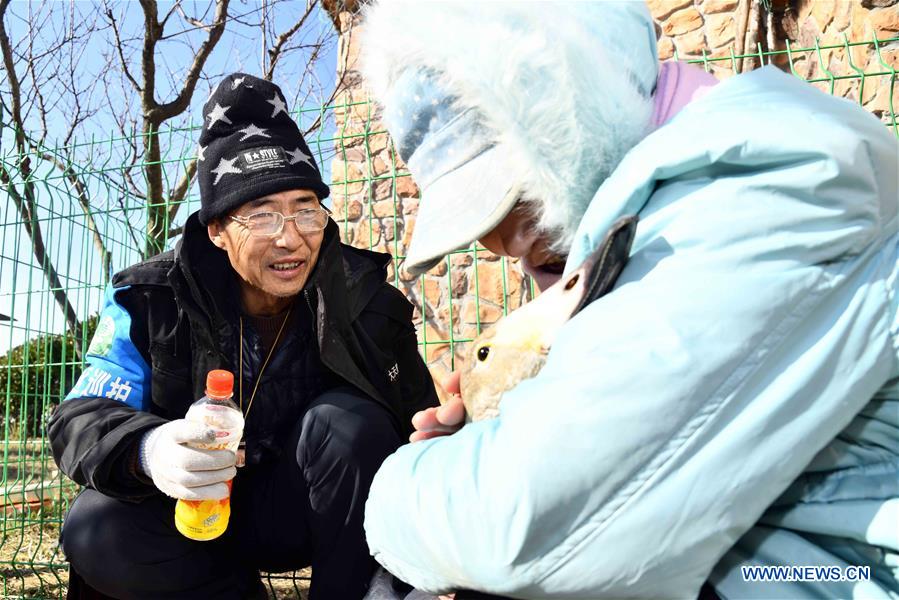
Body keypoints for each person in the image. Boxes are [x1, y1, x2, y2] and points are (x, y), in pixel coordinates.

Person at [359, 2, 899, 599]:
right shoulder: (686, 204)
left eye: (510, 190)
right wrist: (489, 444)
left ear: (575, 106)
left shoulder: (767, 189)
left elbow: (528, 523)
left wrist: (399, 486)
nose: (495, 243)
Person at [49, 73, 438, 600]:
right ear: (216, 230)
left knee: (350, 424)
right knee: (96, 525)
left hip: (307, 514)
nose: (291, 236)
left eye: (306, 209)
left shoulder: (369, 299)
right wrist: (151, 449)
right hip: (190, 515)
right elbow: (80, 417)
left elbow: (421, 431)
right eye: (261, 214)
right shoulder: (149, 299)